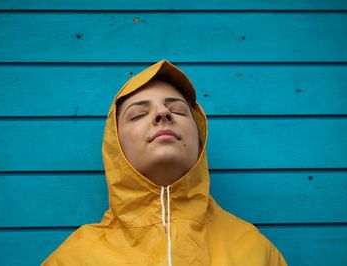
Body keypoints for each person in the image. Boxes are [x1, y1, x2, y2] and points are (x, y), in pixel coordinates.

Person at [41, 59, 287, 265]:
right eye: (138, 114)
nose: (163, 114)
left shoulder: (256, 251)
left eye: (178, 110)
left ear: (200, 139)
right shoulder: (73, 259)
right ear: (116, 145)